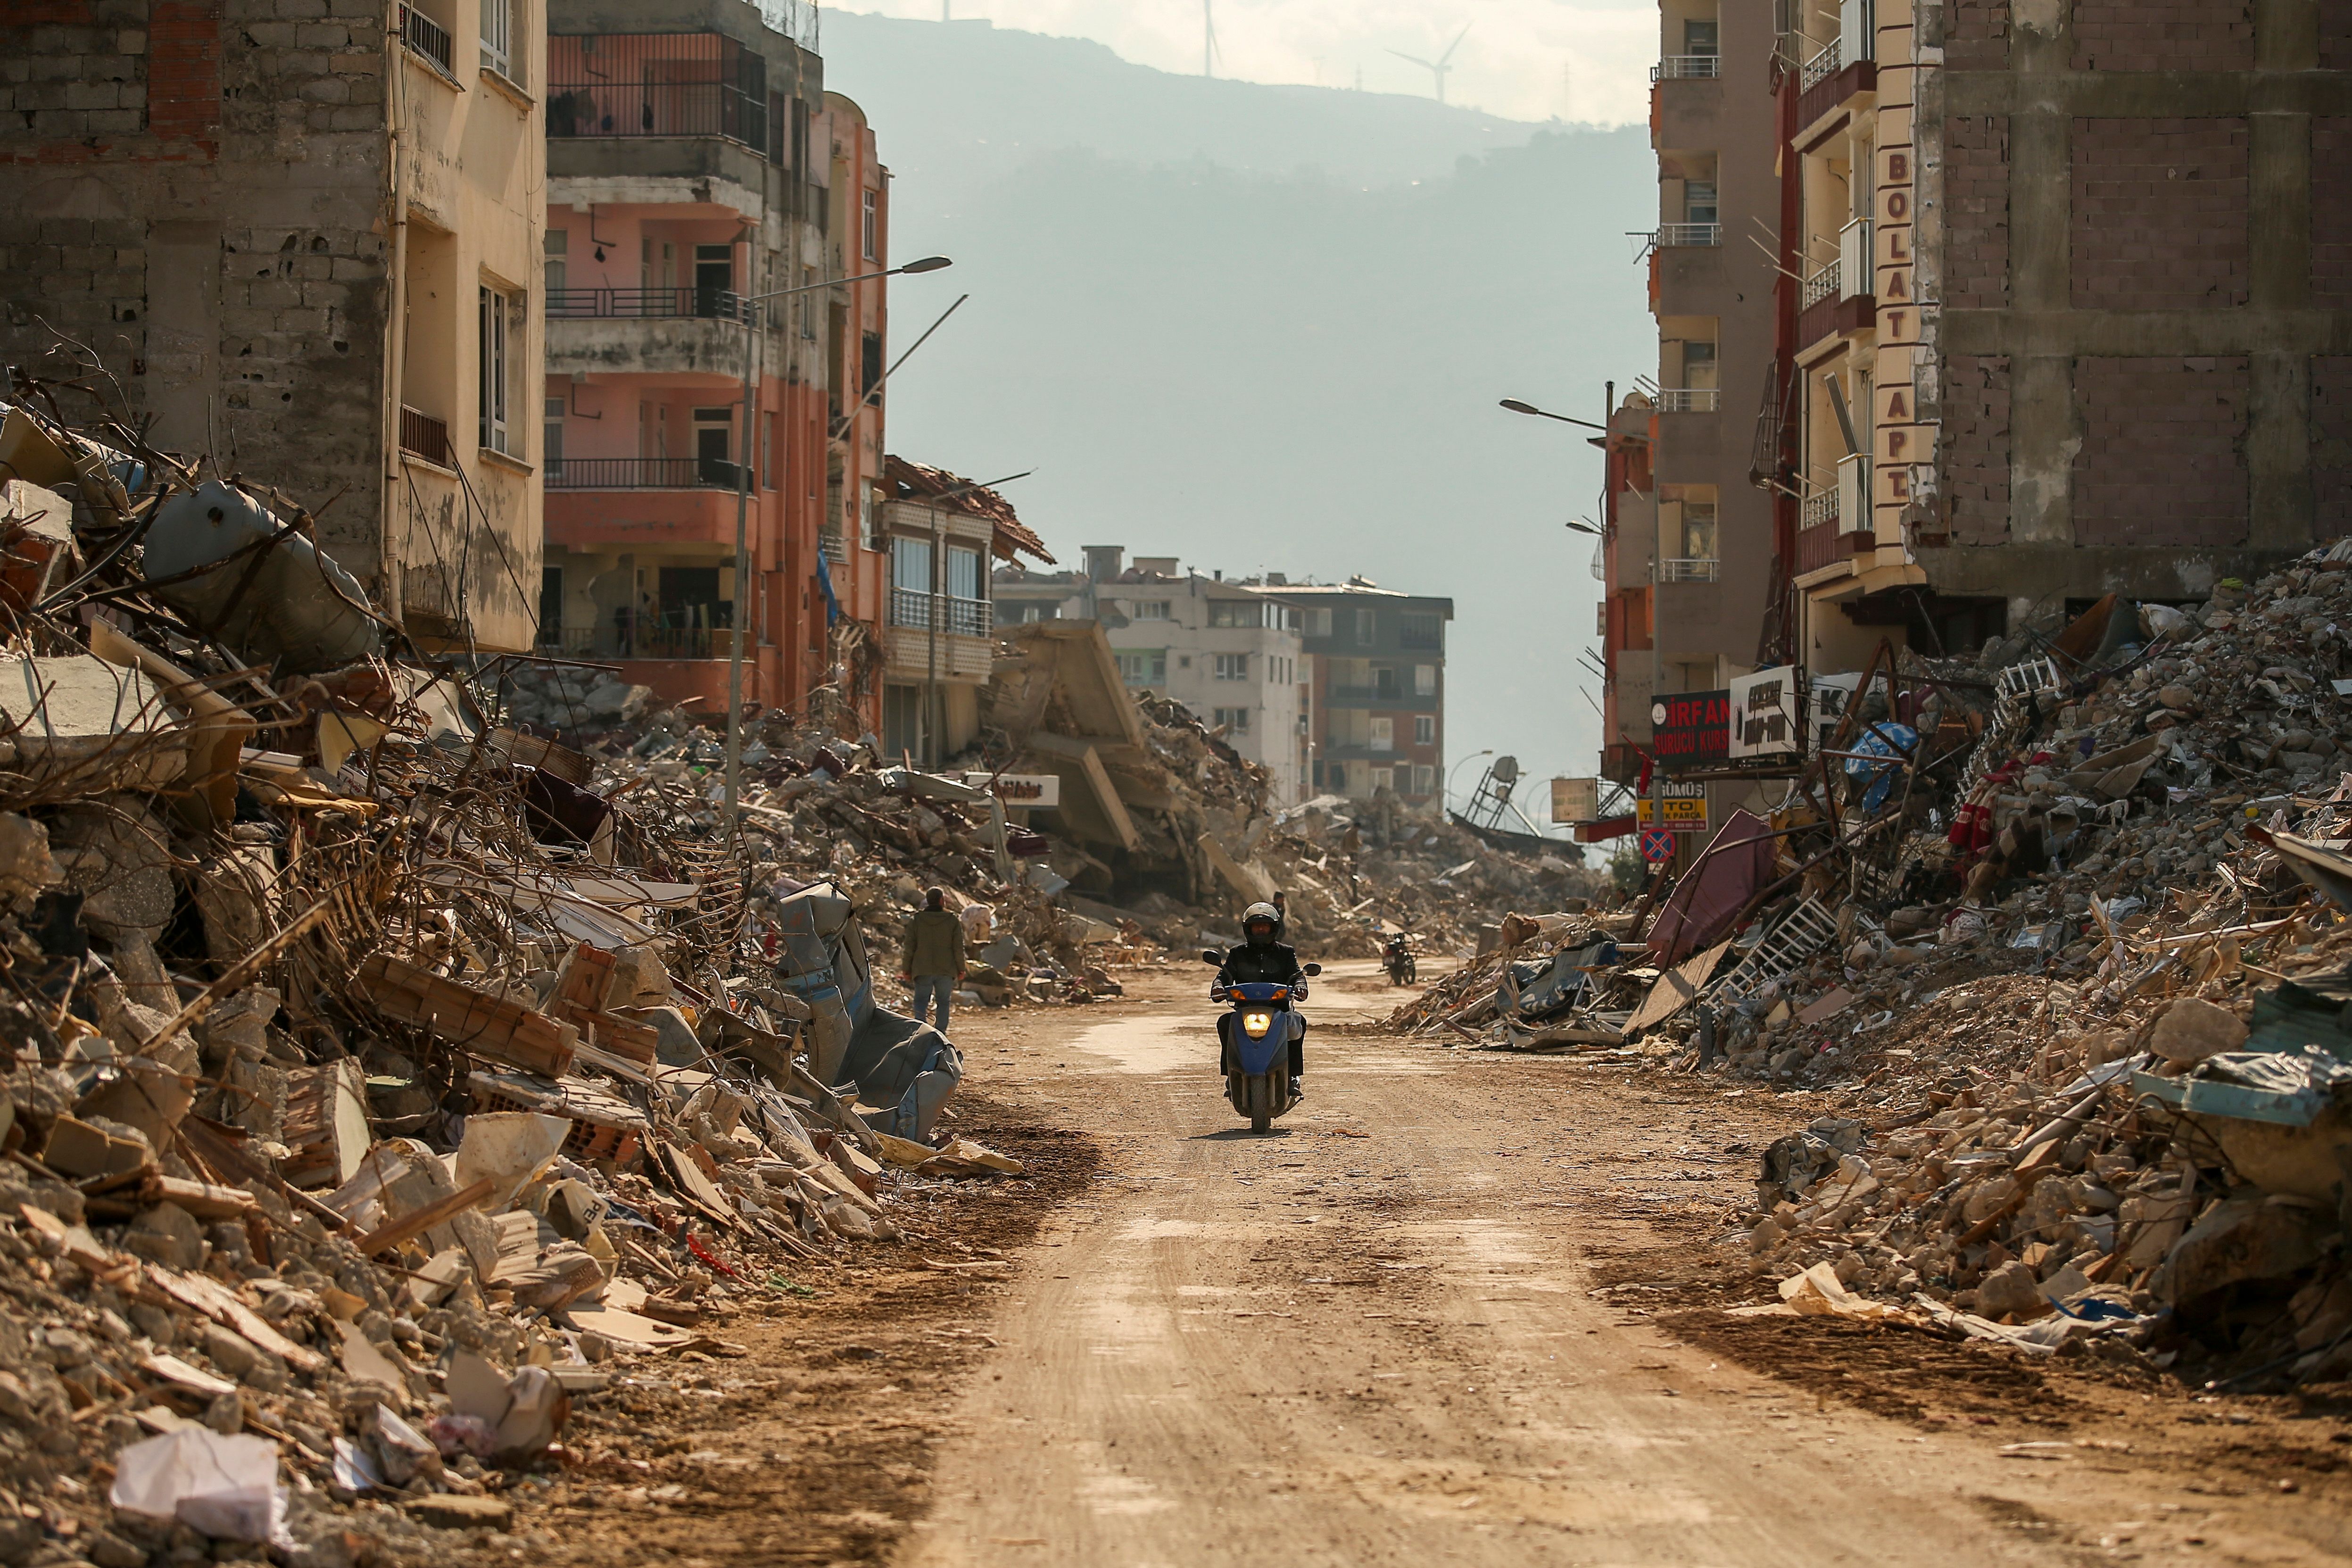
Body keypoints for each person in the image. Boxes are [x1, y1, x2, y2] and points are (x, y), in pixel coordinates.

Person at [1215, 900, 1308, 1095]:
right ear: (1248, 929)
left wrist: (1300, 987)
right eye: (1256, 927)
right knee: (1225, 1023)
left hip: (1279, 1010)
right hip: (1244, 1010)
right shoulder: (1237, 953)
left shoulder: (1286, 952)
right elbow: (1224, 975)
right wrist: (1218, 987)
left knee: (1298, 1023)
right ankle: (1230, 1075)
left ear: (1273, 928)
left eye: (1265, 926)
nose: (1260, 931)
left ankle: (1292, 1076)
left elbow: (1297, 975)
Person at [901, 887, 965, 1033]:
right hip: (946, 969)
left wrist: (906, 969)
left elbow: (909, 948)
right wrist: (961, 968)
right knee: (943, 1002)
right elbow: (958, 948)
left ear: (928, 901)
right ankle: (941, 1033)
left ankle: (921, 1032)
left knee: (921, 1002)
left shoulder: (917, 920)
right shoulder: (952, 920)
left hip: (922, 968)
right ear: (942, 901)